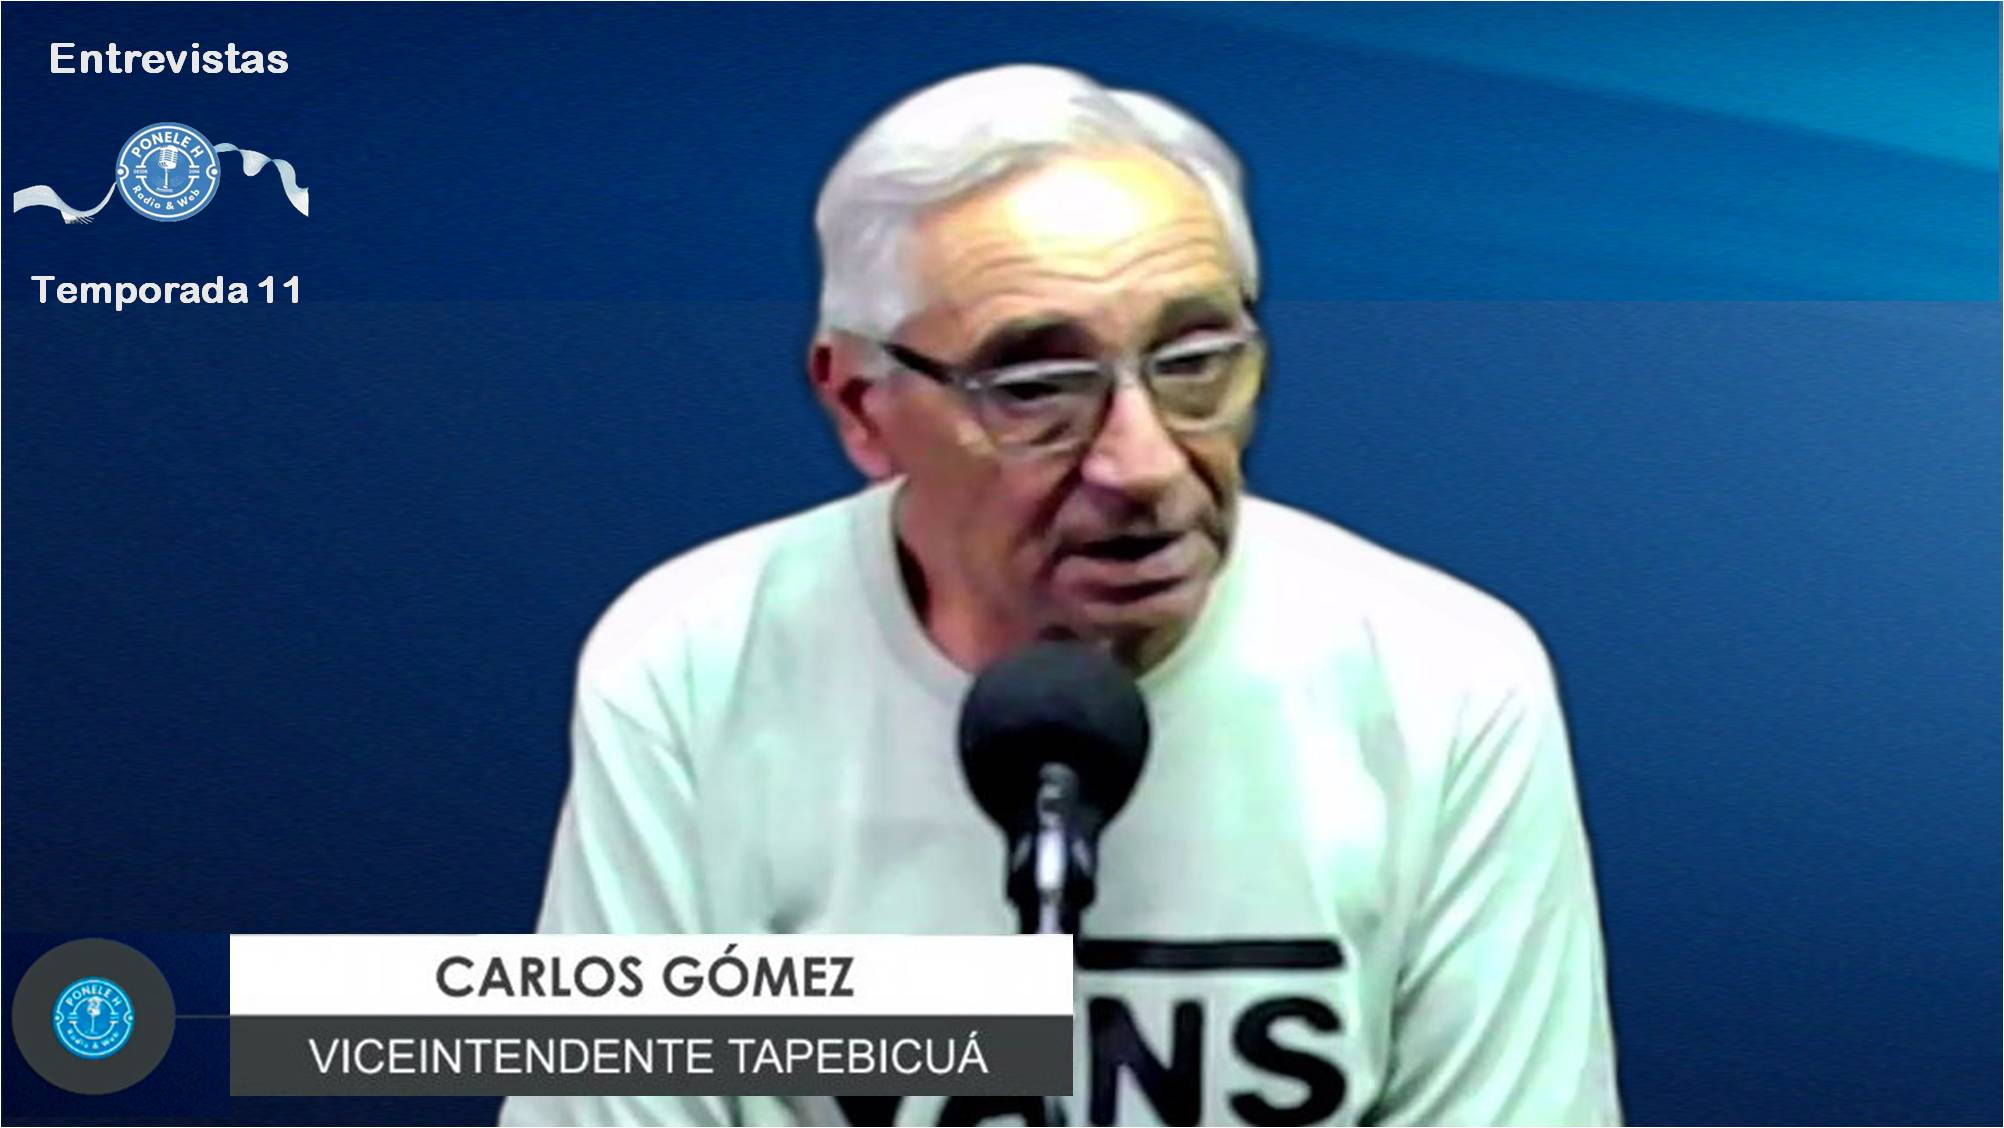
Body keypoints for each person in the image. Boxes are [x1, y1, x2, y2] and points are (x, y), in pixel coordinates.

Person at [502, 64, 1620, 1127]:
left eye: (1196, 360)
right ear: (859, 404)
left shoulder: (1444, 683)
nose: (1143, 464)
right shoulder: (693, 666)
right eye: (1036, 386)